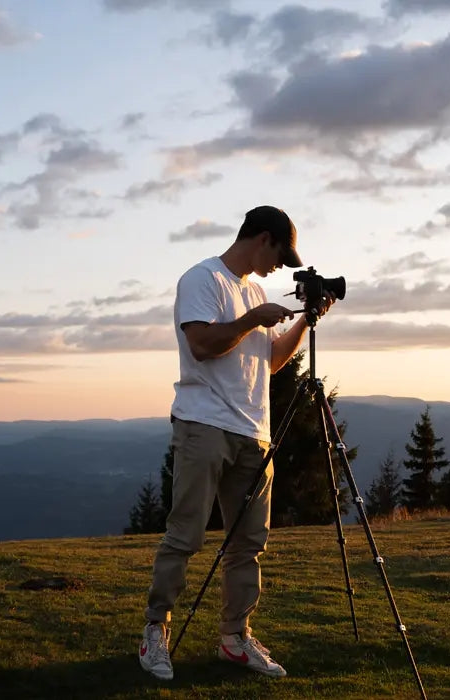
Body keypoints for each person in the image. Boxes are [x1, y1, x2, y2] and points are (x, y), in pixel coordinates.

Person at [138, 204, 332, 682]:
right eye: (277, 256)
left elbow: (268, 364)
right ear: (261, 238)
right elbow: (202, 346)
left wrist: (303, 321)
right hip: (203, 425)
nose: (278, 268)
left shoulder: (257, 291)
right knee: (185, 535)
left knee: (248, 544)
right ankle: (154, 633)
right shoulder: (202, 279)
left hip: (253, 430)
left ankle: (235, 638)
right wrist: (251, 318)